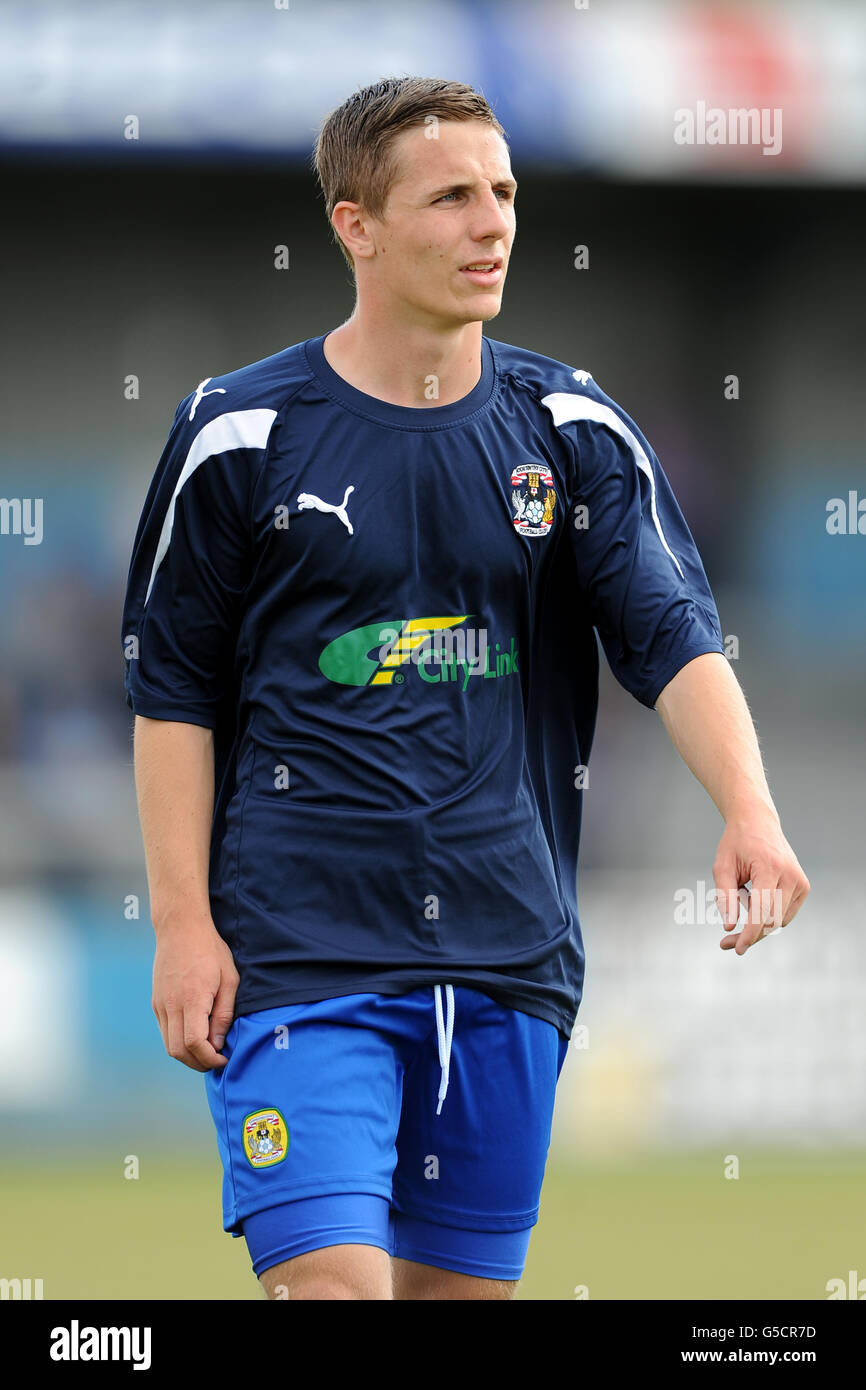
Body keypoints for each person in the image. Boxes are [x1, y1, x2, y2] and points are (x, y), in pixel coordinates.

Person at [121, 75, 809, 1301]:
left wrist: (748, 809)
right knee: (333, 1286)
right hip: (301, 956)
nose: (491, 223)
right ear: (355, 225)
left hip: (507, 954)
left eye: (502, 192)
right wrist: (181, 922)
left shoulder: (572, 426)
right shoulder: (237, 433)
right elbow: (171, 690)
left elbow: (672, 637)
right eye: (450, 197)